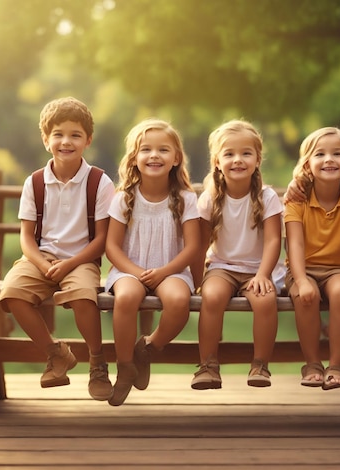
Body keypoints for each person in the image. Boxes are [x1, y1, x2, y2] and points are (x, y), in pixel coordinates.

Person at [0, 97, 116, 401]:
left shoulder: (99, 182)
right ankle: (55, 352)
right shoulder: (35, 182)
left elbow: (103, 239)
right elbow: (25, 236)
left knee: (82, 297)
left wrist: (69, 263)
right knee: (11, 293)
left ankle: (97, 360)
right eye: (59, 134)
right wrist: (39, 261)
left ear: (88, 140)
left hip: (82, 259)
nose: (66, 141)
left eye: (75, 135)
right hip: (39, 257)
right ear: (46, 139)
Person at [105, 118, 200, 406]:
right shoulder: (124, 198)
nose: (154, 155)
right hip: (128, 269)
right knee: (126, 298)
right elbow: (111, 246)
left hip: (171, 268)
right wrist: (137, 272)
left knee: (178, 301)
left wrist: (164, 272)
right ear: (134, 158)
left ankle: (147, 346)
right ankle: (124, 366)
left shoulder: (185, 198)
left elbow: (194, 245)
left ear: (176, 158)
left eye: (163, 150)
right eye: (146, 149)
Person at [189, 120, 282, 390]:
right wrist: (198, 279)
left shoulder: (267, 197)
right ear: (217, 161)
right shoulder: (210, 197)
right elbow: (201, 242)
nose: (237, 160)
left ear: (257, 159)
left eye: (245, 153)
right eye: (229, 154)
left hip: (258, 268)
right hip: (222, 267)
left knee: (264, 301)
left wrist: (264, 274)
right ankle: (208, 365)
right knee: (212, 296)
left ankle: (260, 365)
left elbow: (275, 240)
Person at [284, 127, 340, 391]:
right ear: (307, 165)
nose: (329, 159)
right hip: (302, 268)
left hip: (338, 269)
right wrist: (301, 279)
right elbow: (294, 243)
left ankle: (336, 366)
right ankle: (312, 364)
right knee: (305, 295)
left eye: (337, 154)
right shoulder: (297, 200)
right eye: (320, 154)